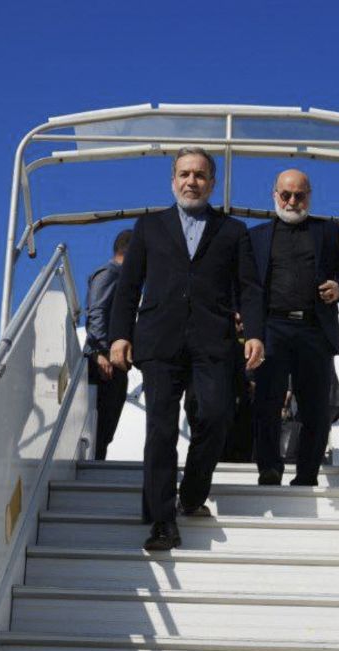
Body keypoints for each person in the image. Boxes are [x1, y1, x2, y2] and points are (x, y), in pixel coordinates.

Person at [109, 147, 265, 551]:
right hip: (159, 340)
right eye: (183, 174)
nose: (190, 181)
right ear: (172, 180)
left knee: (215, 416)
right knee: (160, 429)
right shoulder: (149, 227)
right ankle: (162, 521)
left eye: (199, 175)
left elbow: (249, 288)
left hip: (213, 342)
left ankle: (192, 493)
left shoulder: (233, 231)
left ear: (212, 183)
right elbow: (128, 287)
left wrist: (255, 334)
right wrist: (119, 335)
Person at [249, 169, 339, 486]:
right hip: (272, 328)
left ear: (309, 196)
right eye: (286, 195)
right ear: (274, 195)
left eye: (299, 195)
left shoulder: (327, 232)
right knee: (267, 402)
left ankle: (307, 473)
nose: (292, 201)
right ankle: (269, 468)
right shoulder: (255, 237)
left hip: (314, 329)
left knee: (315, 407)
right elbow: (243, 284)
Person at [83, 229, 131, 460]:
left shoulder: (122, 277)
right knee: (102, 423)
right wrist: (100, 351)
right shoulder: (110, 274)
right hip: (104, 361)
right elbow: (97, 311)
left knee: (108, 422)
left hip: (116, 360)